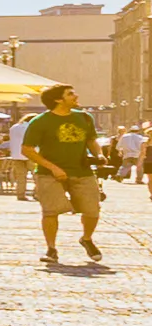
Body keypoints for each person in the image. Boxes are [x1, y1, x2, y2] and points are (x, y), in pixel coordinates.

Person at [23, 83, 106, 265]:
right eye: (70, 94)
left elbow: (91, 140)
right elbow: (27, 149)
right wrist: (53, 167)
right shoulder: (40, 121)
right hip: (48, 174)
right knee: (51, 211)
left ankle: (87, 239)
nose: (76, 96)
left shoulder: (84, 118)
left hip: (82, 171)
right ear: (58, 100)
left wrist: (99, 154)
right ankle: (51, 249)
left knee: (93, 210)